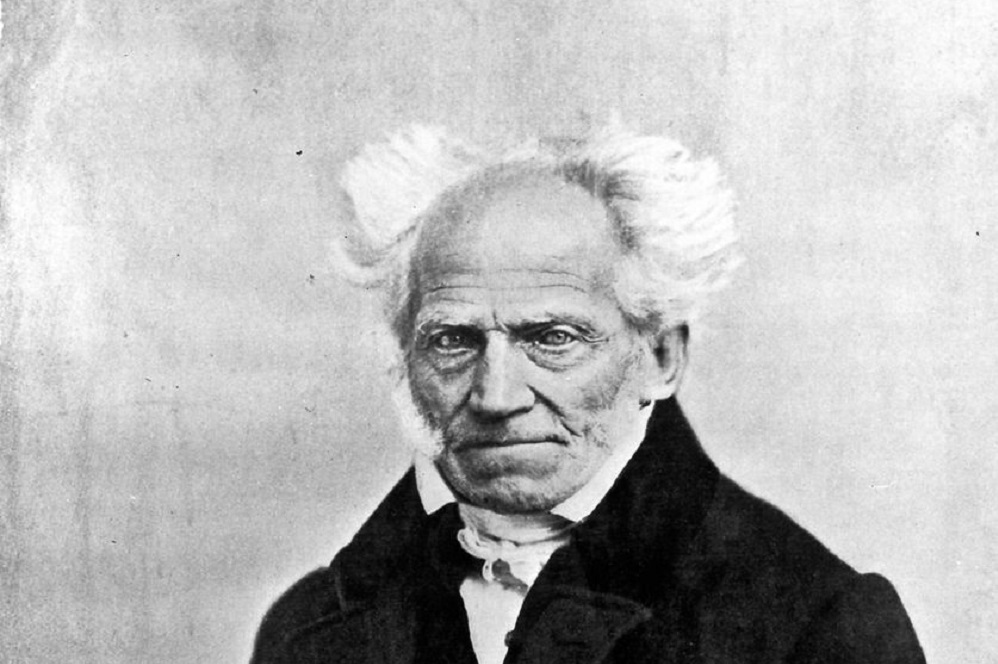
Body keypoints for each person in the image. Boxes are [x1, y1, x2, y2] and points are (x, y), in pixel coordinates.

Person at [251, 126, 925, 664]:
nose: (495, 396)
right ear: (405, 355)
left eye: (553, 338)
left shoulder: (817, 625)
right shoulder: (309, 629)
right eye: (453, 341)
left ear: (661, 357)